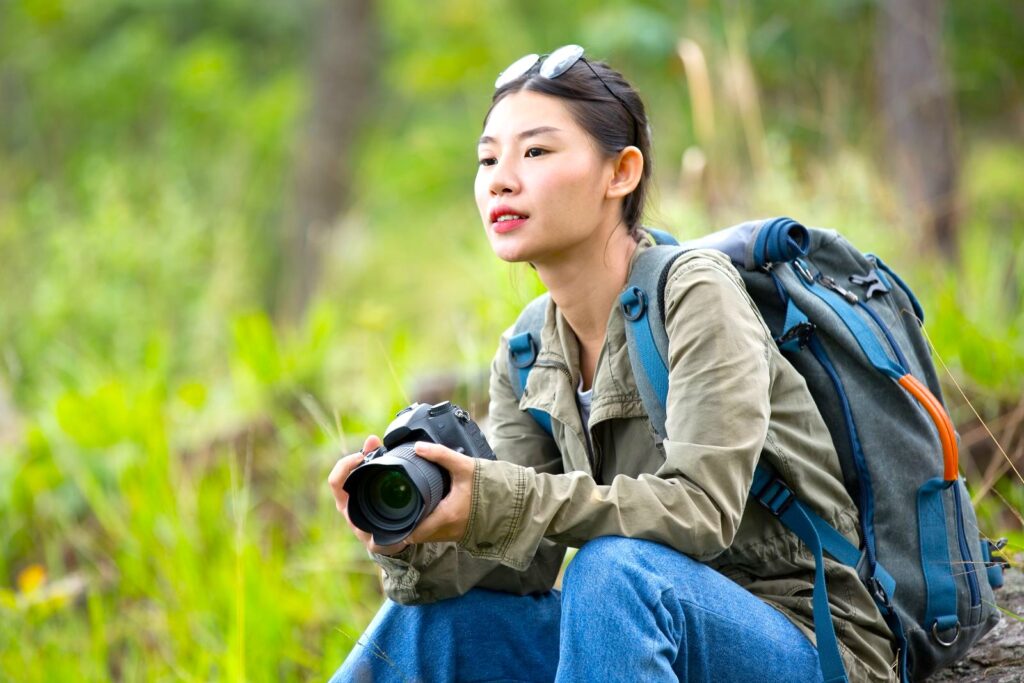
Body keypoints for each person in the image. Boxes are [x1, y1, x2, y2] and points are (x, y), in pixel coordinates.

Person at [327, 45, 897, 682]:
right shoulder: (525, 350)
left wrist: (497, 497)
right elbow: (527, 562)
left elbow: (702, 513)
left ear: (621, 172)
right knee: (430, 622)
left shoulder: (694, 293)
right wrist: (415, 540)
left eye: (535, 152)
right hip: (644, 629)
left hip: (804, 639)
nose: (500, 179)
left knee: (610, 571)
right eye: (488, 158)